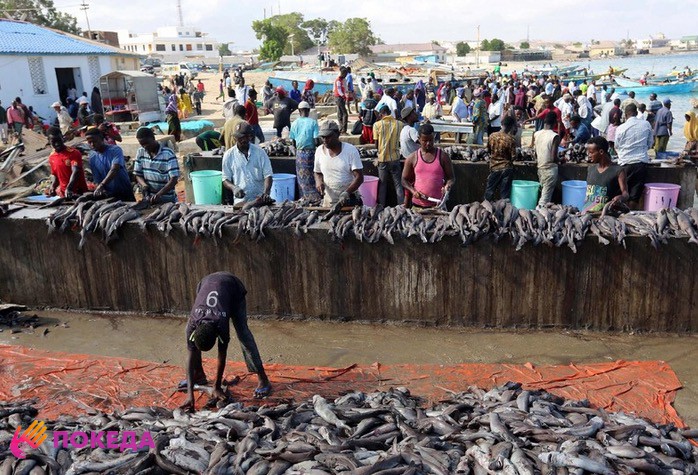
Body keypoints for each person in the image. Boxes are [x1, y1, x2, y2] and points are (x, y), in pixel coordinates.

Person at [180, 272, 271, 412]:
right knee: (191, 346)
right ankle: (198, 374)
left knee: (243, 333)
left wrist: (216, 386)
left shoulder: (221, 325)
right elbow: (190, 355)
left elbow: (221, 356)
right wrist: (189, 395)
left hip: (232, 288)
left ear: (217, 335)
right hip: (205, 283)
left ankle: (263, 378)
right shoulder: (193, 324)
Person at [401, 123, 454, 208]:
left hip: (438, 205)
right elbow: (404, 180)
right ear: (419, 139)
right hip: (417, 206)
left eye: (431, 140)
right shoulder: (412, 158)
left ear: (434, 137)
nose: (428, 143)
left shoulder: (443, 156)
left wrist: (447, 186)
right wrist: (413, 191)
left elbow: (451, 178)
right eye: (425, 141)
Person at [314, 120, 364, 206]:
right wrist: (319, 181)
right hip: (329, 199)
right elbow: (317, 172)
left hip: (348, 199)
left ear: (337, 134)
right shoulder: (319, 151)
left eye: (328, 137)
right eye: (323, 137)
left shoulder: (350, 151)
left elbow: (359, 177)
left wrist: (347, 193)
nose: (325, 140)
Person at [222, 121, 273, 205]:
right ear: (235, 138)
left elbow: (268, 175)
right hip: (241, 201)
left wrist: (266, 193)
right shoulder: (228, 155)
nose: (242, 140)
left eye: (244, 137)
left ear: (250, 137)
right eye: (239, 137)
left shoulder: (260, 152)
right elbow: (225, 179)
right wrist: (234, 188)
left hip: (260, 199)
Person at [614, 104, 653, 209]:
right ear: (636, 113)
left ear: (626, 115)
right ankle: (630, 215)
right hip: (641, 163)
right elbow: (650, 144)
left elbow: (616, 146)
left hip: (624, 164)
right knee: (635, 196)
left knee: (622, 193)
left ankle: (620, 215)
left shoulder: (621, 128)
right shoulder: (646, 124)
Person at [85, 128, 135, 201]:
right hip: (109, 193)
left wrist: (102, 185)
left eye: (94, 141)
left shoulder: (115, 150)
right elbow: (97, 178)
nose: (92, 144)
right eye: (89, 142)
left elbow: (115, 168)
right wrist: (101, 188)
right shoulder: (92, 157)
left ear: (102, 139)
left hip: (124, 190)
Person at [583, 136, 629, 213]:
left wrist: (621, 197)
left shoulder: (618, 171)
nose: (589, 155)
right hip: (587, 214)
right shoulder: (590, 169)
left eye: (591, 152)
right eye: (588, 153)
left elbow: (625, 193)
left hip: (606, 216)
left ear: (601, 152)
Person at [134, 126, 180, 204]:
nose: (145, 147)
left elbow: (174, 179)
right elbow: (138, 174)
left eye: (147, 143)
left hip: (167, 200)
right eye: (142, 144)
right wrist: (144, 185)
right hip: (149, 198)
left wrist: (159, 194)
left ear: (153, 138)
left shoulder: (168, 153)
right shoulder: (140, 152)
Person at [289, 102, 321, 201]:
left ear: (299, 111)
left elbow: (292, 142)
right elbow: (316, 140)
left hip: (299, 153)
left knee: (301, 178)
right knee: (313, 175)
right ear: (308, 111)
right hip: (311, 153)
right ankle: (315, 198)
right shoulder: (313, 122)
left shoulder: (294, 123)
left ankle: (304, 198)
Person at [373, 105, 404, 206]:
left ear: (381, 114)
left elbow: (376, 144)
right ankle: (401, 206)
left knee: (382, 185)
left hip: (382, 159)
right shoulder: (399, 124)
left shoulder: (377, 125)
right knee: (398, 184)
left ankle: (381, 206)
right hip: (395, 158)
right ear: (390, 112)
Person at [45, 127, 88, 198]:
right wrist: (53, 186)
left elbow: (76, 171)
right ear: (49, 141)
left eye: (59, 140)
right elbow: (55, 175)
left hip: (79, 193)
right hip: (64, 194)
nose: (57, 144)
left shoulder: (73, 153)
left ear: (63, 138)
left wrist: (69, 188)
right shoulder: (52, 157)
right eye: (54, 141)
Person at [484, 115, 517, 200]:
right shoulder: (510, 139)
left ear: (502, 124)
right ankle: (504, 210)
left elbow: (488, 150)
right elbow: (513, 157)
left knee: (489, 191)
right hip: (506, 169)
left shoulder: (492, 136)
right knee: (504, 194)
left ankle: (486, 209)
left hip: (494, 167)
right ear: (511, 126)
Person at [532, 112, 561, 206]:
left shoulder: (537, 133)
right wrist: (561, 159)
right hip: (550, 170)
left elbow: (535, 153)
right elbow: (553, 158)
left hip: (540, 168)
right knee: (545, 197)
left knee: (543, 193)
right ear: (555, 123)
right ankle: (539, 214)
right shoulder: (555, 136)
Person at [333, 67, 349, 134]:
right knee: (345, 114)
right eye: (345, 74)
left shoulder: (342, 80)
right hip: (339, 98)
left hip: (340, 98)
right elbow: (339, 91)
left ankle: (341, 128)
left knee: (340, 114)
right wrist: (344, 96)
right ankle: (344, 129)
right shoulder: (338, 81)